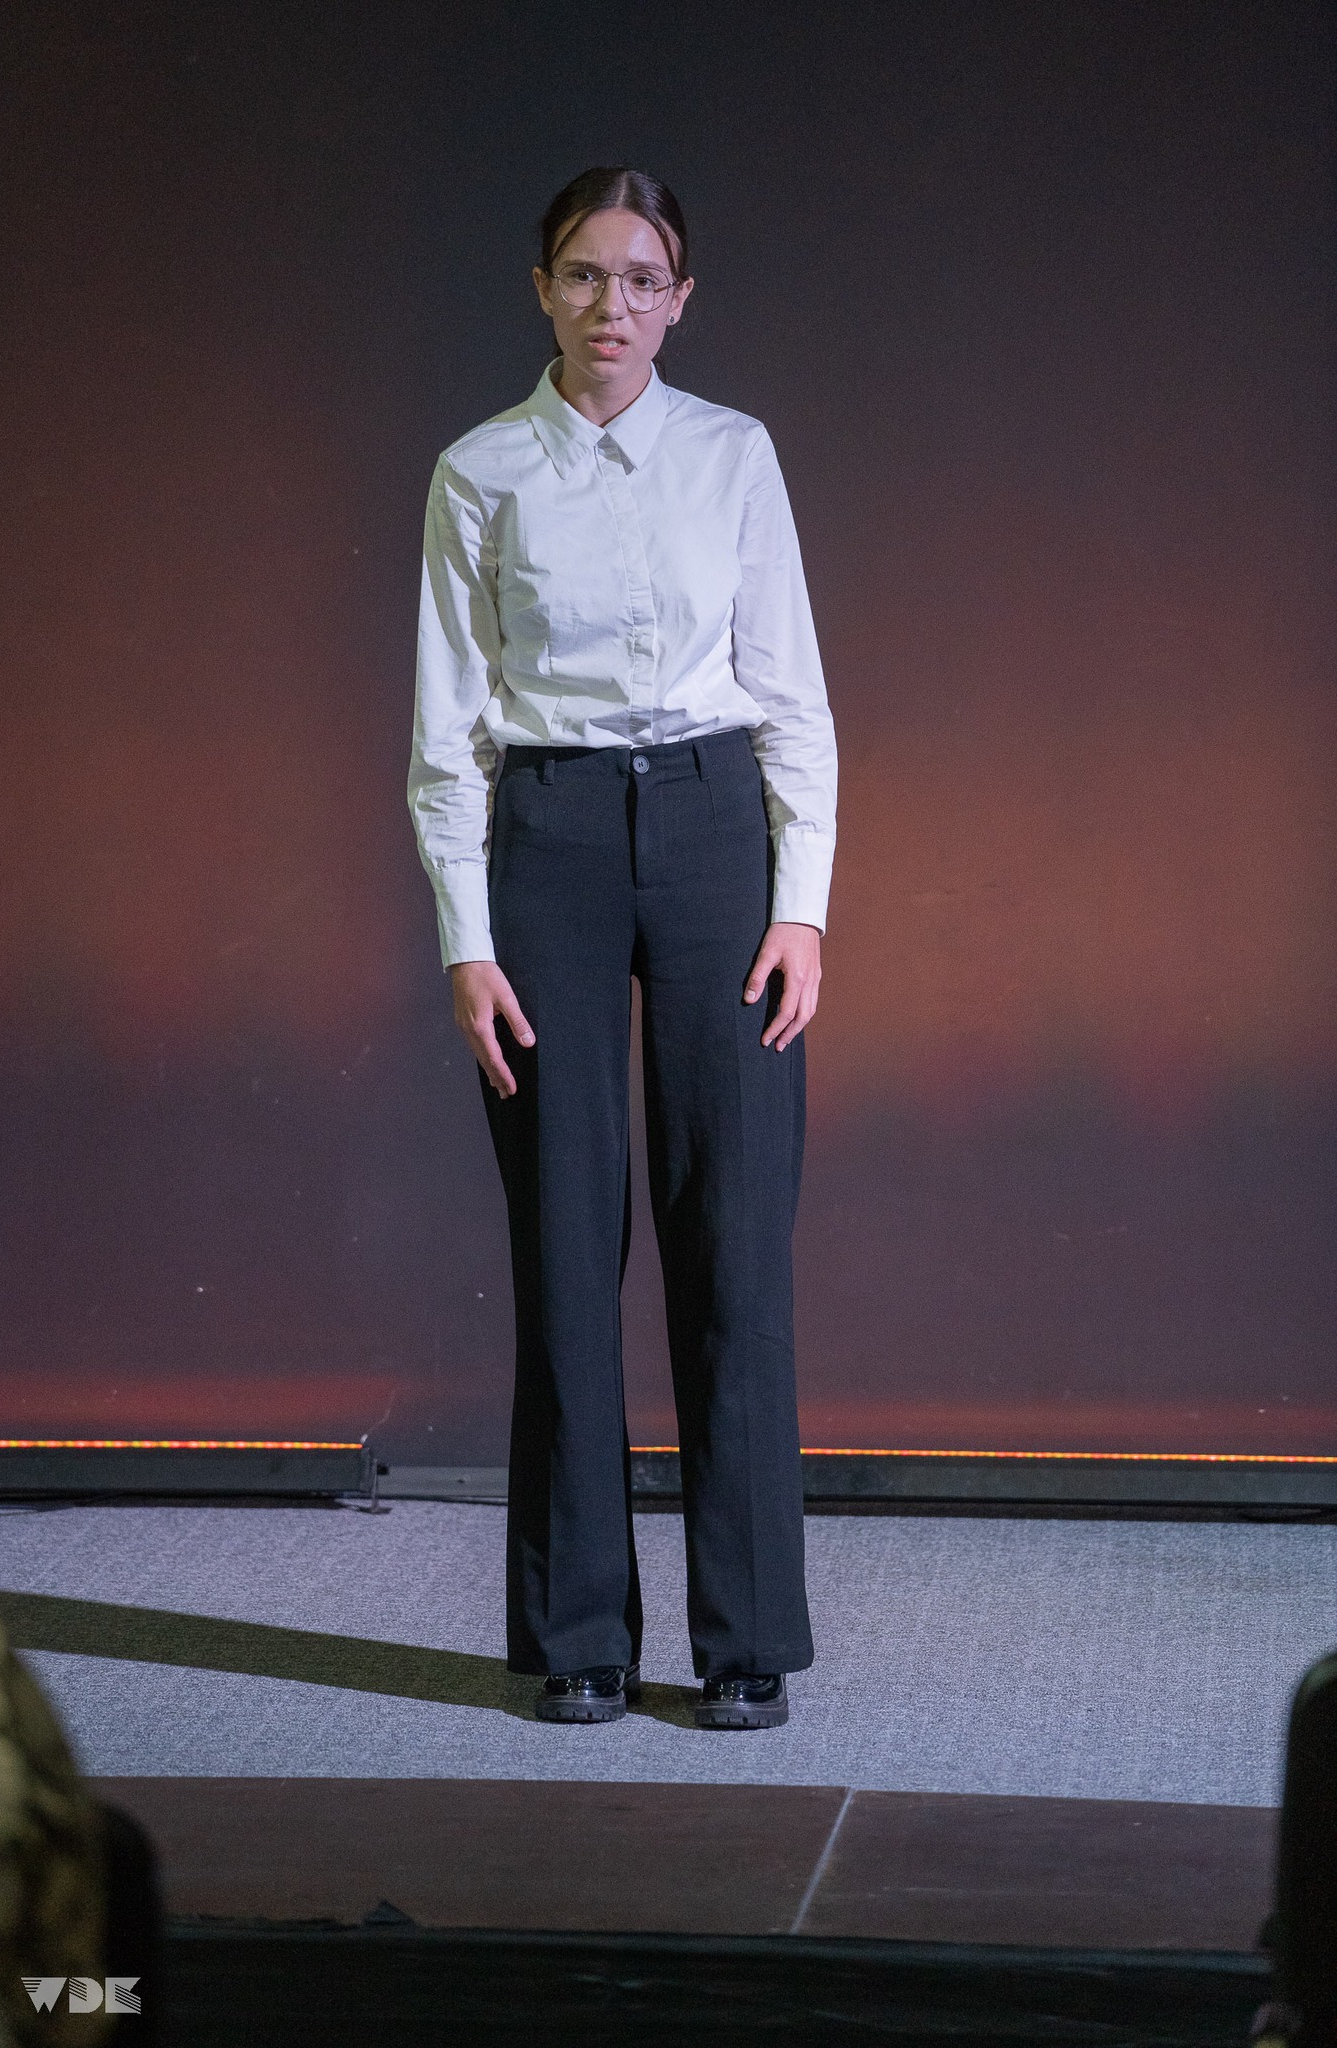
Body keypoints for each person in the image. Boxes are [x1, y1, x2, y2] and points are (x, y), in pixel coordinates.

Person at [409, 166, 836, 1729]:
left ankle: (746, 1642)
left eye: (641, 279)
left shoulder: (733, 455)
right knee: (566, 1242)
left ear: (678, 300)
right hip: (554, 842)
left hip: (719, 834)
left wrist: (801, 906)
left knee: (735, 1242)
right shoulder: (480, 472)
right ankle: (578, 1632)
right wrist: (466, 938)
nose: (611, 306)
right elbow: (447, 731)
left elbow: (791, 696)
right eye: (584, 275)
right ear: (542, 289)